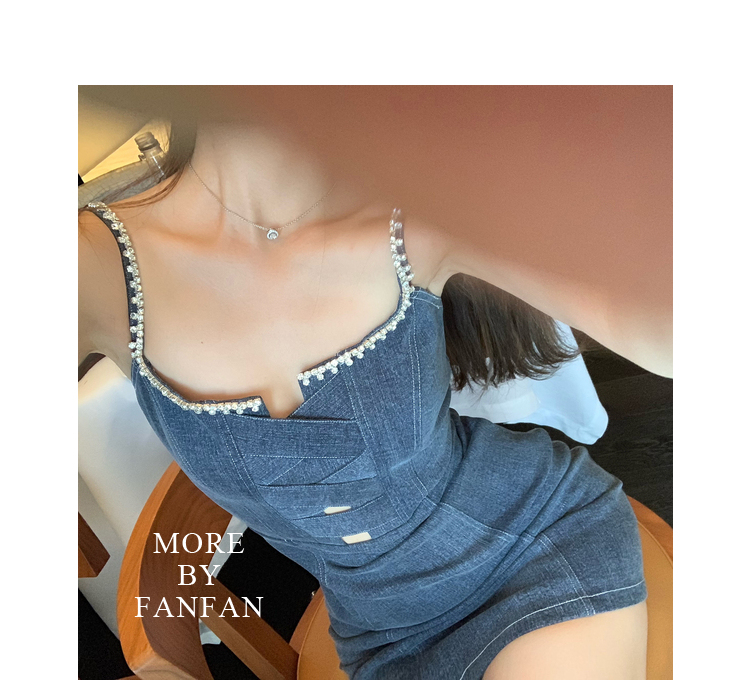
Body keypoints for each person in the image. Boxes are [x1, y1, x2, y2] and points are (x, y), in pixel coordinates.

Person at [79, 87, 667, 679]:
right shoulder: (90, 263)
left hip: (533, 551)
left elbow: (659, 331)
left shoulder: (419, 208)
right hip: (379, 638)